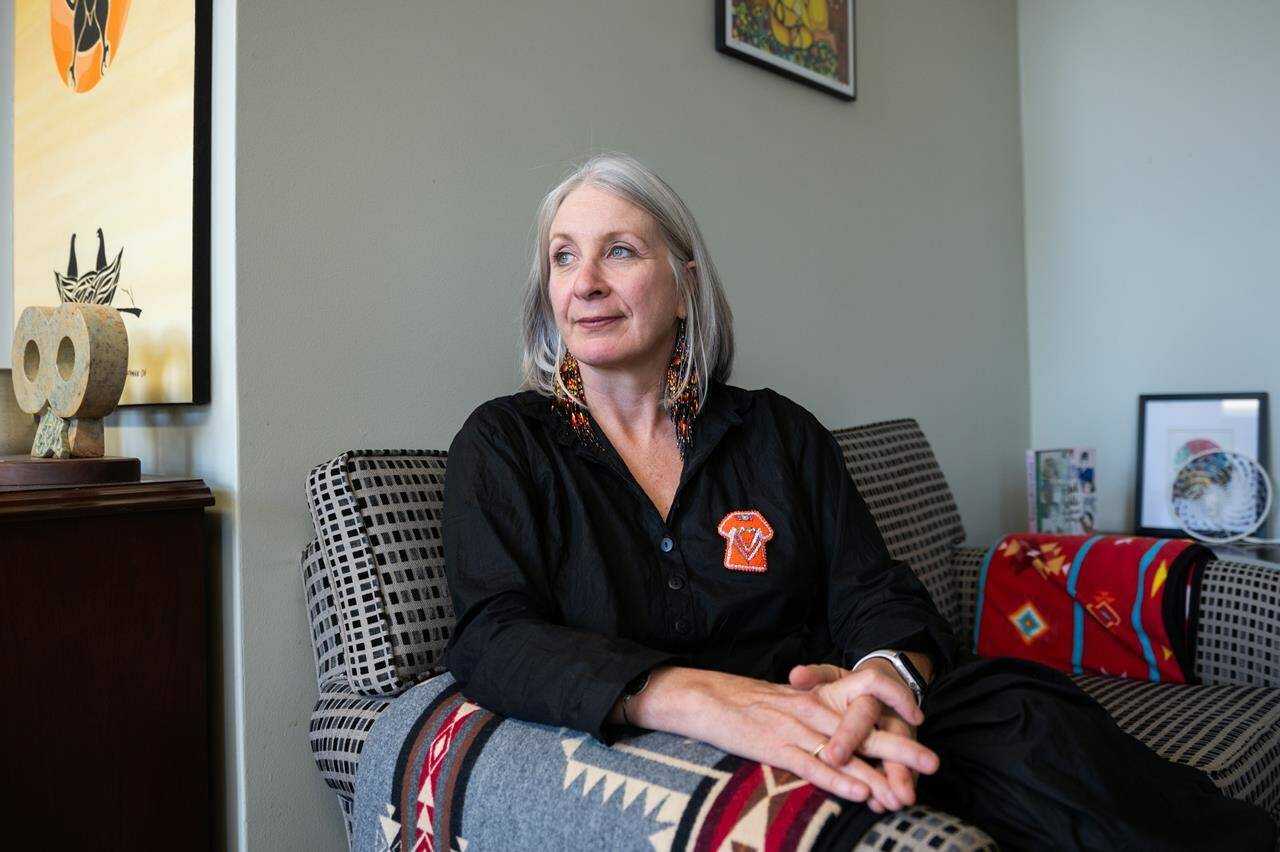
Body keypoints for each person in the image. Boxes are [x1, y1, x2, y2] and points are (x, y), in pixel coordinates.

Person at [441, 153, 1275, 850]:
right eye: (562, 255)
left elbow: (875, 590)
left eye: (619, 251)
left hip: (847, 707)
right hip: (687, 743)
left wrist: (881, 681)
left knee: (1032, 725)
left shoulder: (778, 433)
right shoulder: (506, 445)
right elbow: (493, 638)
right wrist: (688, 695)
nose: (584, 282)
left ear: (685, 281)